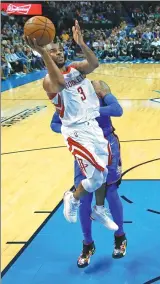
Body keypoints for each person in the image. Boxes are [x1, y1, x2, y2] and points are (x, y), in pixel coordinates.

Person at [25, 20, 117, 231]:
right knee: (95, 177)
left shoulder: (75, 68)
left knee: (100, 177)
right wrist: (43, 52)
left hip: (92, 126)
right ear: (46, 56)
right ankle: (73, 198)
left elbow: (94, 64)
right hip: (76, 132)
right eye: (53, 51)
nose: (59, 53)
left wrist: (82, 44)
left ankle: (98, 209)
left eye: (60, 50)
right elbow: (59, 83)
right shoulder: (49, 80)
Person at [51, 80, 127, 268]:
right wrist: (69, 126)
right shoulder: (69, 99)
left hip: (107, 143)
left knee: (110, 192)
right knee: (85, 198)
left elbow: (117, 110)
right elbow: (54, 123)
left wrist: (91, 112)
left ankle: (120, 236)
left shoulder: (98, 87)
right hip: (83, 145)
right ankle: (87, 244)